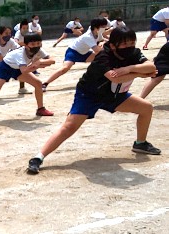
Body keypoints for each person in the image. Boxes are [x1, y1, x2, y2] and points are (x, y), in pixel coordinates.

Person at [27, 27, 161, 174]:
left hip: (114, 95)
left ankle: (140, 143)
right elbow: (115, 77)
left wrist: (129, 69)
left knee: (146, 108)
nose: (129, 47)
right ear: (113, 44)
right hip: (89, 95)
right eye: (124, 44)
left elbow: (151, 67)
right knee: (69, 127)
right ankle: (38, 158)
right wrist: (139, 74)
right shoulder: (103, 56)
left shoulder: (134, 53)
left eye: (131, 43)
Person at [0, 32, 55, 128]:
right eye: (33, 44)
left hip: (18, 69)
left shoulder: (39, 50)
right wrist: (37, 65)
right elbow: (24, 70)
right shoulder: (20, 54)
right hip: (6, 68)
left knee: (38, 83)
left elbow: (52, 60)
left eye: (38, 43)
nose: (36, 46)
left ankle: (40, 109)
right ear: (26, 45)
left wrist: (40, 62)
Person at [42, 17, 108, 92]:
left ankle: (103, 79)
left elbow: (102, 40)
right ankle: (45, 83)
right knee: (65, 69)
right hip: (73, 52)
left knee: (103, 59)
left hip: (84, 53)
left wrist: (107, 42)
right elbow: (97, 50)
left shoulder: (97, 32)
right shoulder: (88, 36)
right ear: (96, 27)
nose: (104, 29)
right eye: (103, 27)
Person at [14, 20, 33, 94]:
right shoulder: (18, 33)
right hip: (17, 53)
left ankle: (22, 88)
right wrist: (25, 44)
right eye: (24, 28)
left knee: (22, 70)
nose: (26, 30)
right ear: (20, 28)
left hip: (24, 53)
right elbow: (16, 41)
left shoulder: (29, 32)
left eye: (27, 28)